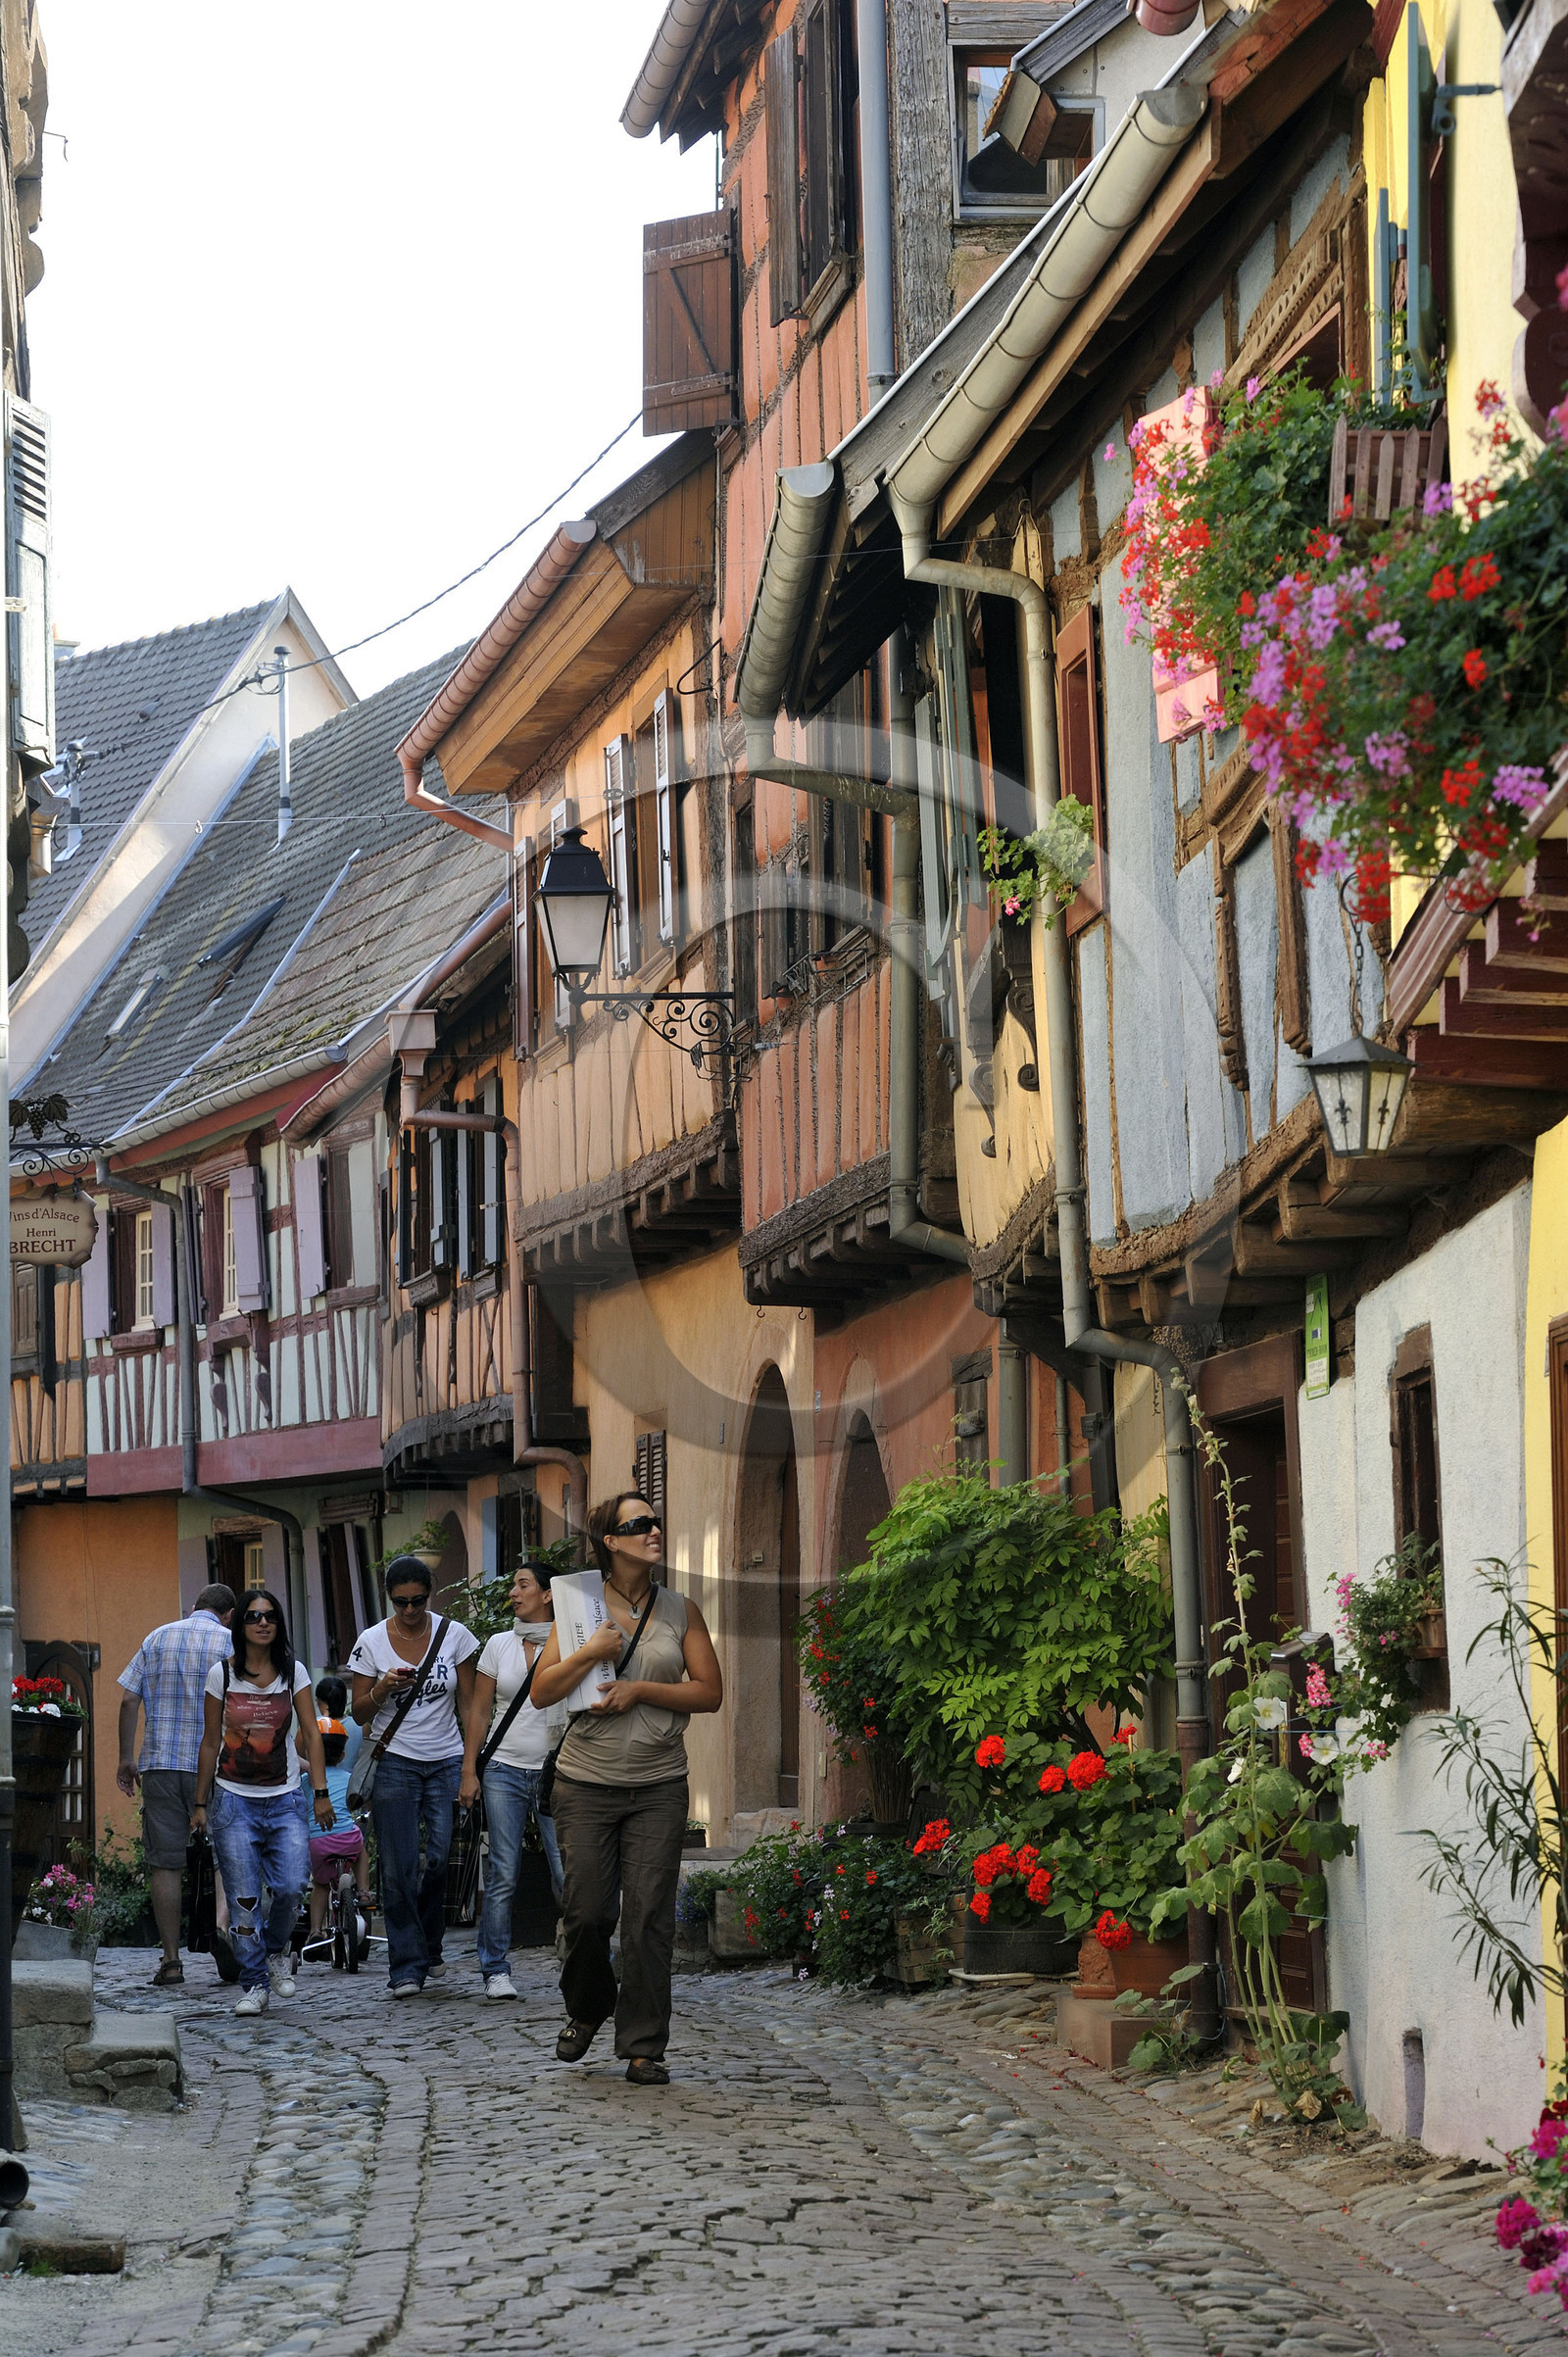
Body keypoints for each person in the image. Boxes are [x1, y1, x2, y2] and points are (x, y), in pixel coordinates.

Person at [529, 1494, 723, 2086]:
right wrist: (592, 1652)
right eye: (638, 1525)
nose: (653, 1530)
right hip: (586, 1783)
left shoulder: (680, 1609)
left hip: (659, 1784)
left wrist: (640, 1691)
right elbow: (541, 1692)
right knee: (586, 1914)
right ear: (610, 1542)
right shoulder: (579, 1605)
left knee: (647, 1918)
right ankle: (588, 2008)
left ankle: (643, 2044)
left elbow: (709, 1691)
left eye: (656, 1521)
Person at [190, 1587, 333, 2016]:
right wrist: (200, 1804)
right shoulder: (222, 1674)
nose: (263, 1623)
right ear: (240, 1625)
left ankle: (274, 1951)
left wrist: (321, 1792)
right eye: (253, 1617)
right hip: (233, 1802)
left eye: (270, 1615)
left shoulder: (295, 1672)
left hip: (286, 1797)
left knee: (292, 1887)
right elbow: (210, 1740)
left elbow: (312, 1734)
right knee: (244, 1900)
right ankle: (254, 1983)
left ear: (279, 1622)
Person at [348, 1556, 478, 1996]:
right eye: (400, 1602)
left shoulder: (453, 1635)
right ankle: (406, 1964)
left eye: (417, 1601)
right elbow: (359, 1711)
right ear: (389, 1597)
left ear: (430, 1593)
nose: (409, 1610)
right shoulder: (370, 1642)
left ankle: (429, 1943)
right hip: (394, 1759)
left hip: (445, 1758)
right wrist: (382, 1688)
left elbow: (469, 1705)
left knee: (442, 1858)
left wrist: (469, 1765)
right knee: (400, 1869)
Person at [116, 1584, 237, 1988]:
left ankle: (171, 1962)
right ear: (230, 1613)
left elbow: (129, 1701)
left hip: (162, 1765)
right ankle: (221, 1926)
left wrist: (127, 1758)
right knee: (226, 1854)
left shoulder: (157, 1636)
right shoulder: (231, 1642)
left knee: (165, 1863)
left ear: (193, 1608)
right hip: (218, 1765)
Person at [458, 1558, 567, 2001]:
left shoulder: (572, 1642)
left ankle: (581, 1960)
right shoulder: (499, 1645)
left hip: (558, 1769)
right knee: (504, 1870)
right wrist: (470, 1770)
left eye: (523, 1585)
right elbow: (480, 1713)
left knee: (568, 1872)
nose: (514, 1593)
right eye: (514, 1586)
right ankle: (495, 1970)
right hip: (503, 1767)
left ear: (547, 1594)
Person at [294, 1675, 369, 1951]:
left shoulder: (306, 1777)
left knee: (321, 1885)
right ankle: (363, 1889)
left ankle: (315, 1930)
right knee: (360, 1847)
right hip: (348, 1833)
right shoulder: (357, 1736)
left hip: (317, 1842)